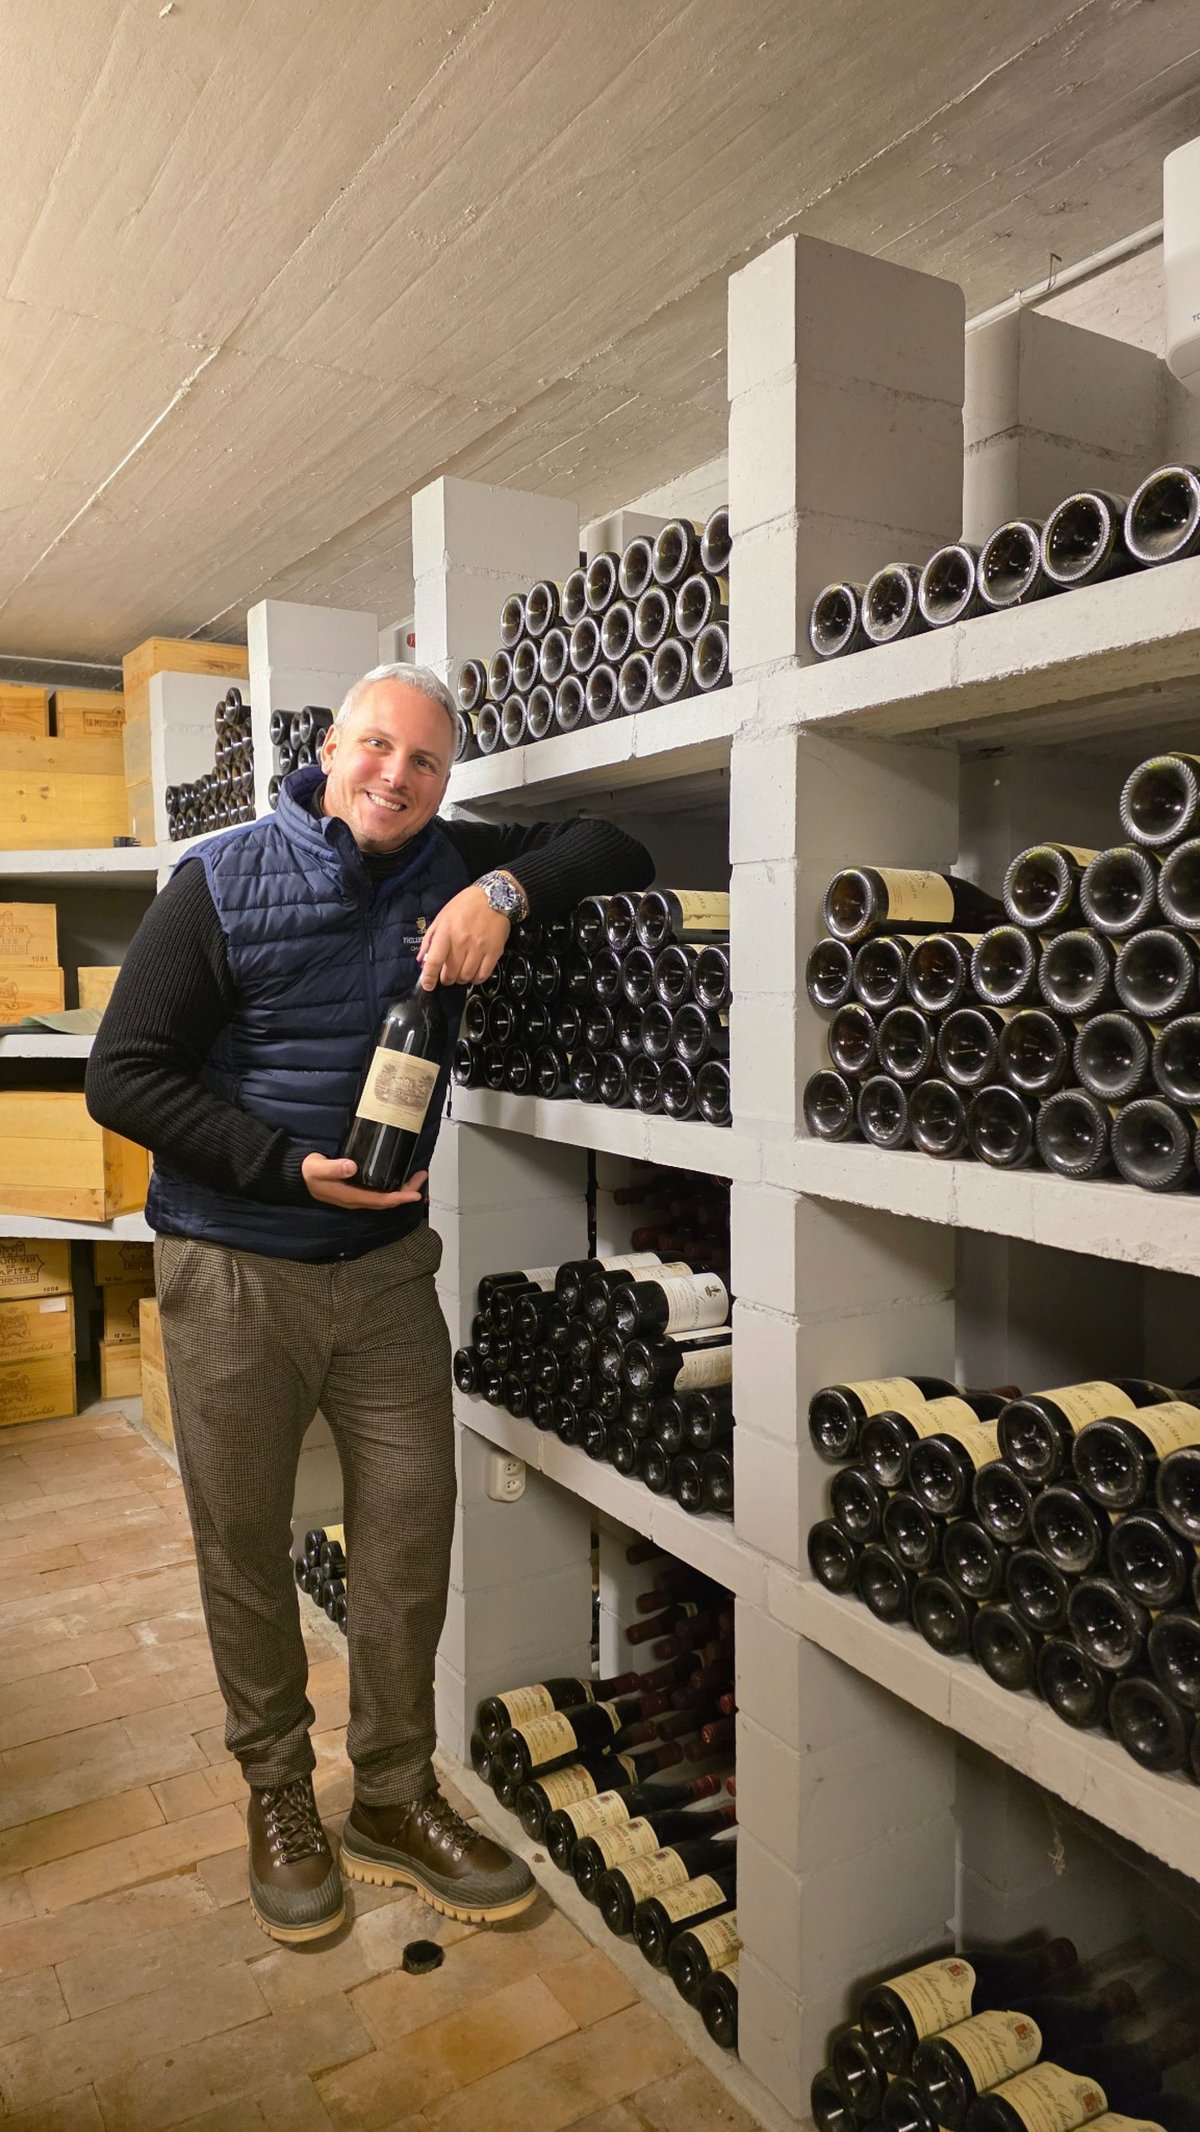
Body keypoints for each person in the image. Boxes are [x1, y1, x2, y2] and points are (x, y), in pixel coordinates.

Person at [86, 661, 654, 1944]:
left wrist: (504, 892)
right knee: (244, 1543)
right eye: (378, 747)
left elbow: (613, 842)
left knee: (407, 1532)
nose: (397, 775)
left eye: (426, 761)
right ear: (330, 746)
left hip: (389, 1271)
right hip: (235, 1264)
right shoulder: (219, 881)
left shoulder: (452, 857)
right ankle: (279, 1792)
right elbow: (122, 1076)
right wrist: (279, 1164)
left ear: (446, 780)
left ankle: (392, 1794)